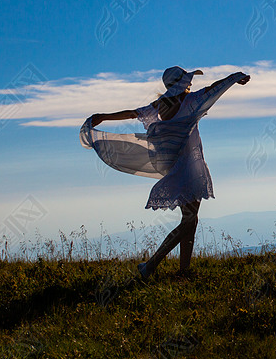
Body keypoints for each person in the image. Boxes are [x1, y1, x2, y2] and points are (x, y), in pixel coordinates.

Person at [82, 66, 250, 278]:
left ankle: (183, 270)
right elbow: (214, 88)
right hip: (187, 163)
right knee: (190, 218)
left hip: (173, 163)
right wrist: (235, 77)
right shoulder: (190, 102)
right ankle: (151, 265)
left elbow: (134, 113)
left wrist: (103, 116)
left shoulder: (160, 106)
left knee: (191, 218)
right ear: (183, 83)